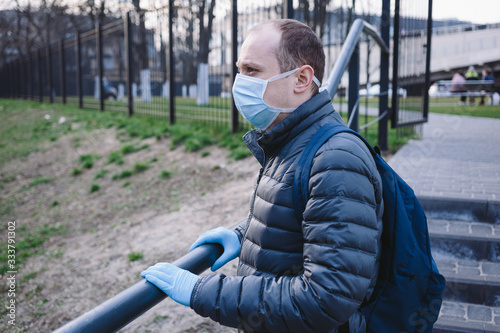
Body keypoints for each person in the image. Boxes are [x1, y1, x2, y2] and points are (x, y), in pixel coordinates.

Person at [141, 19, 383, 332]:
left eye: (252, 71)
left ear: (301, 79)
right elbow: (303, 218)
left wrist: (202, 292)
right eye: (239, 70)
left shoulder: (336, 159)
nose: (239, 83)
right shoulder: (293, 140)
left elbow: (326, 299)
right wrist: (244, 236)